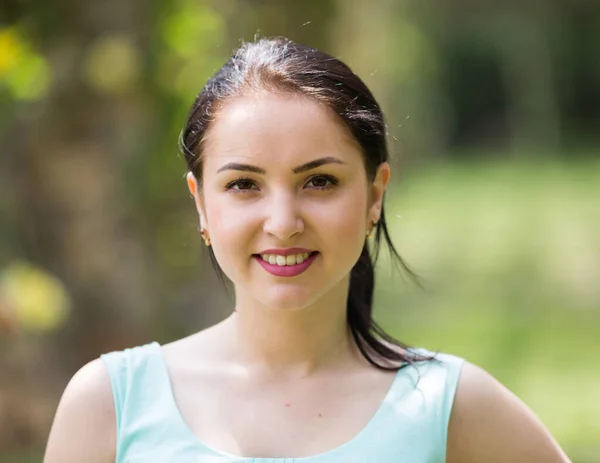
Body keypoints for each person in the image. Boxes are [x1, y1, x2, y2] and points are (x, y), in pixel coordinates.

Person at [43, 37, 571, 463]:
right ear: (201, 203)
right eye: (244, 185)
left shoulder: (450, 405)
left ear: (375, 195)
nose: (283, 223)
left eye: (319, 182)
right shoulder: (109, 405)